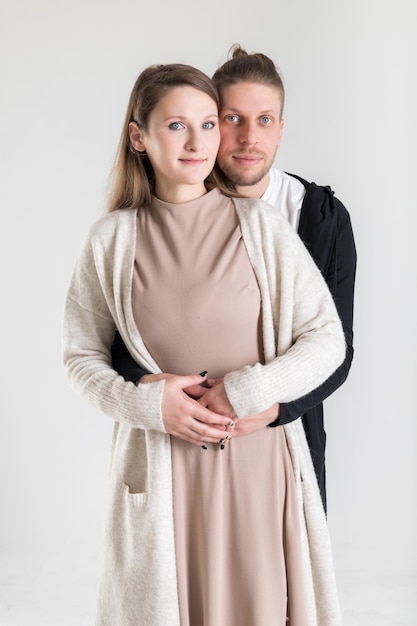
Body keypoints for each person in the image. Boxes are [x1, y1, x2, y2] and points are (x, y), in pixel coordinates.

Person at [62, 63, 345, 625]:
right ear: (138, 136)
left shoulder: (261, 227)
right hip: (164, 469)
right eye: (176, 126)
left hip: (258, 466)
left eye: (209, 124)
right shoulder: (111, 240)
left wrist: (251, 389)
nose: (198, 142)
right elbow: (81, 359)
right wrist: (146, 404)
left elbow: (328, 339)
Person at [112, 45, 357, 511]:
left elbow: (336, 346)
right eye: (231, 119)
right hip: (177, 437)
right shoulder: (157, 218)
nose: (249, 138)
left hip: (285, 435)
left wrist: (275, 409)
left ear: (281, 130)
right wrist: (157, 394)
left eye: (265, 120)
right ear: (209, 123)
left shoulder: (321, 217)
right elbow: (120, 342)